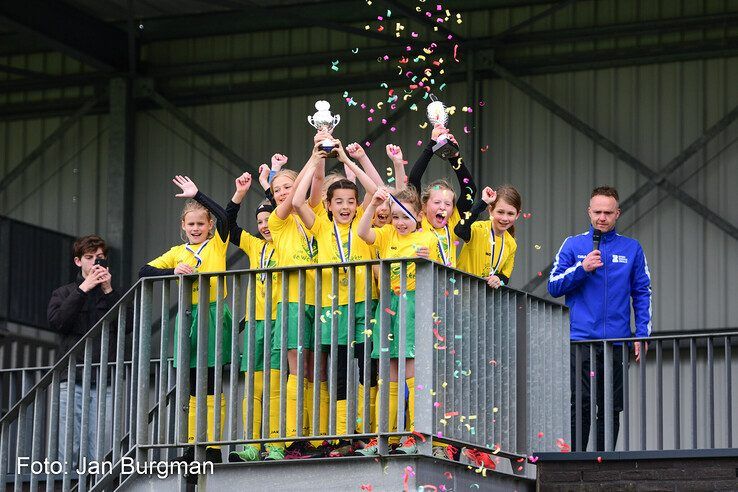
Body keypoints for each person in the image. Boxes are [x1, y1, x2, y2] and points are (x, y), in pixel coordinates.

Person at [547, 186, 652, 452]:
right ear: (589, 212)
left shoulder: (632, 249)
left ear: (617, 214)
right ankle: (578, 460)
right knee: (580, 403)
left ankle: (604, 463)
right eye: (597, 212)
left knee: (610, 407)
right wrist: (581, 269)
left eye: (608, 212)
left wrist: (641, 334)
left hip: (616, 342)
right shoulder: (573, 245)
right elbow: (554, 286)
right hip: (580, 340)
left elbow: (642, 293)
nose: (602, 218)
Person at [292, 139, 378, 456]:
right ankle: (342, 435)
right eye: (338, 201)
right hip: (334, 309)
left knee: (368, 371)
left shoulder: (364, 225)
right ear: (328, 205)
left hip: (364, 306)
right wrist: (316, 159)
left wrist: (346, 159)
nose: (345, 206)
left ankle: (367, 435)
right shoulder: (320, 227)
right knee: (339, 372)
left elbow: (377, 191)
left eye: (350, 201)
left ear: (357, 205)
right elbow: (298, 201)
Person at [139, 176, 232, 465]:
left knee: (213, 382)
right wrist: (172, 271)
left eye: (201, 224)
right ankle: (194, 445)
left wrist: (199, 195)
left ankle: (213, 446)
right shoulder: (177, 252)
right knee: (191, 383)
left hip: (215, 314)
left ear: (209, 226)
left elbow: (226, 216)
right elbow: (144, 271)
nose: (195, 228)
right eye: (190, 224)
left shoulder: (217, 244)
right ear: (183, 226)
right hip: (188, 319)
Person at [356, 186, 441, 456]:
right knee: (389, 373)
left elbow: (438, 275)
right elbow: (361, 233)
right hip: (387, 306)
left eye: (406, 217)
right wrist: (374, 204)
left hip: (413, 304)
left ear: (418, 216)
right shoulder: (386, 234)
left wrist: (426, 261)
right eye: (395, 217)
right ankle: (384, 436)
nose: (400, 222)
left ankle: (413, 436)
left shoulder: (429, 238)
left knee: (411, 370)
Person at [47, 235, 119, 468]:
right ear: (78, 261)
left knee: (101, 447)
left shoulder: (112, 293)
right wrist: (83, 289)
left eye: (99, 257)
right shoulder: (62, 293)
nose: (95, 262)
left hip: (104, 379)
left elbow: (127, 326)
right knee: (69, 447)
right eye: (89, 258)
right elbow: (58, 323)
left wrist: (108, 290)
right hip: (72, 378)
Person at [225, 172, 282, 462]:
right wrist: (239, 194)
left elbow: (286, 206)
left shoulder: (288, 240)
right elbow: (227, 226)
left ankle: (276, 444)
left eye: (268, 220)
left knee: (276, 385)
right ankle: (251, 444)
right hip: (256, 322)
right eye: (259, 222)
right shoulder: (254, 245)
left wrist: (270, 184)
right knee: (254, 385)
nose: (264, 226)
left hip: (282, 321)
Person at [407, 124, 477, 270]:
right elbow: (414, 178)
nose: (442, 207)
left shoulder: (453, 222)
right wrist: (432, 143)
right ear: (424, 206)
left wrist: (454, 157)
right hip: (421, 288)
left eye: (448, 204)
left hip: (447, 289)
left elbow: (470, 188)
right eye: (437, 202)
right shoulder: (419, 219)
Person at [455, 186, 521, 288]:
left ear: (517, 215)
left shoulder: (511, 243)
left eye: (510, 214)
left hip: (484, 299)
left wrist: (498, 279)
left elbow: (505, 277)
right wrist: (483, 202)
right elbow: (459, 230)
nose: (505, 218)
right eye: (500, 212)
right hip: (461, 291)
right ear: (490, 210)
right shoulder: (478, 228)